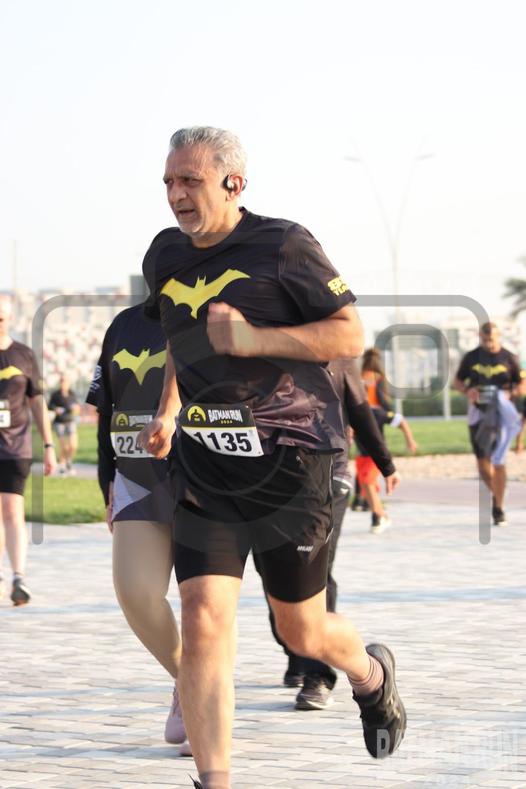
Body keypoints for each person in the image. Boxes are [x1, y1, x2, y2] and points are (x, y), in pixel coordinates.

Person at [138, 126, 406, 789]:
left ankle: (371, 674)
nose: (175, 194)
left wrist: (255, 339)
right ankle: (216, 781)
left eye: (190, 180)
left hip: (292, 462)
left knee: (301, 630)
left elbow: (349, 333)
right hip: (206, 466)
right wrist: (169, 408)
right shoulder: (165, 254)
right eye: (169, 181)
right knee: (203, 618)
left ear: (234, 183)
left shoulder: (284, 244)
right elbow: (180, 334)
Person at [260, 356, 402, 711]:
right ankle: (298, 651)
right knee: (273, 573)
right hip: (268, 480)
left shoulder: (337, 356)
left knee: (316, 570)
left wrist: (385, 464)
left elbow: (360, 410)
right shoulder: (263, 347)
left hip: (328, 474)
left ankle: (318, 675)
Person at [86, 303, 190, 755]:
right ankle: (191, 681)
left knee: (204, 603)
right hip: (135, 479)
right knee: (134, 591)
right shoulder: (123, 326)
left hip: (204, 478)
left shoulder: (214, 314)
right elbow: (105, 410)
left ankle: (204, 704)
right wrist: (107, 480)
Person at [0, 295, 56, 605]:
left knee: (11, 509)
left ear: (9, 318)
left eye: (1, 318)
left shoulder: (24, 356)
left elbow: (37, 402)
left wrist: (48, 445)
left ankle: (18, 577)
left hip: (15, 447)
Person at [454, 322, 524, 526]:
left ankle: (499, 507)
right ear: (480, 337)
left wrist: (511, 393)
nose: (489, 343)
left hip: (501, 412)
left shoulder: (509, 357)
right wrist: (468, 391)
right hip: (479, 413)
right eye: (485, 340)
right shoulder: (471, 357)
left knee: (498, 460)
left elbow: (522, 383)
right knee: (482, 462)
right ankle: (496, 494)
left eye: (491, 339)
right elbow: (457, 382)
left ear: (498, 336)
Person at [355, 348, 417, 534]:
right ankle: (380, 514)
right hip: (362, 453)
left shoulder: (377, 412)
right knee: (366, 486)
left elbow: (400, 421)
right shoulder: (356, 412)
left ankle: (378, 516)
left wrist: (410, 440)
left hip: (374, 453)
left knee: (367, 482)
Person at [48, 373, 80, 474]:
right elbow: (49, 406)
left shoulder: (72, 394)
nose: (63, 383)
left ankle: (68, 460)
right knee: (64, 446)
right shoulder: (55, 395)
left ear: (68, 382)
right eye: (61, 381)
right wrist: (55, 409)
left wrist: (76, 409)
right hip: (59, 422)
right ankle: (62, 465)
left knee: (73, 445)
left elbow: (77, 407)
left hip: (70, 421)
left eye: (65, 381)